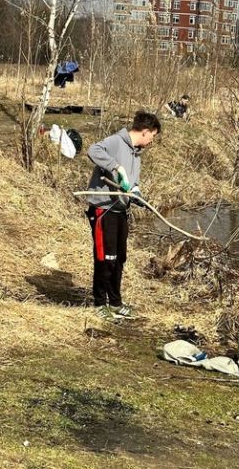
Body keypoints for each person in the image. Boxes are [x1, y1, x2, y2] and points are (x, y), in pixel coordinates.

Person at [86, 111, 161, 322]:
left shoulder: (136, 154)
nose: (151, 141)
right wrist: (116, 167)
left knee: (119, 258)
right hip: (104, 209)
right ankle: (100, 303)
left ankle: (116, 302)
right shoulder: (116, 141)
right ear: (145, 132)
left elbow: (131, 182)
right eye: (152, 136)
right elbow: (93, 150)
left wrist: (135, 193)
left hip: (121, 211)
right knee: (105, 257)